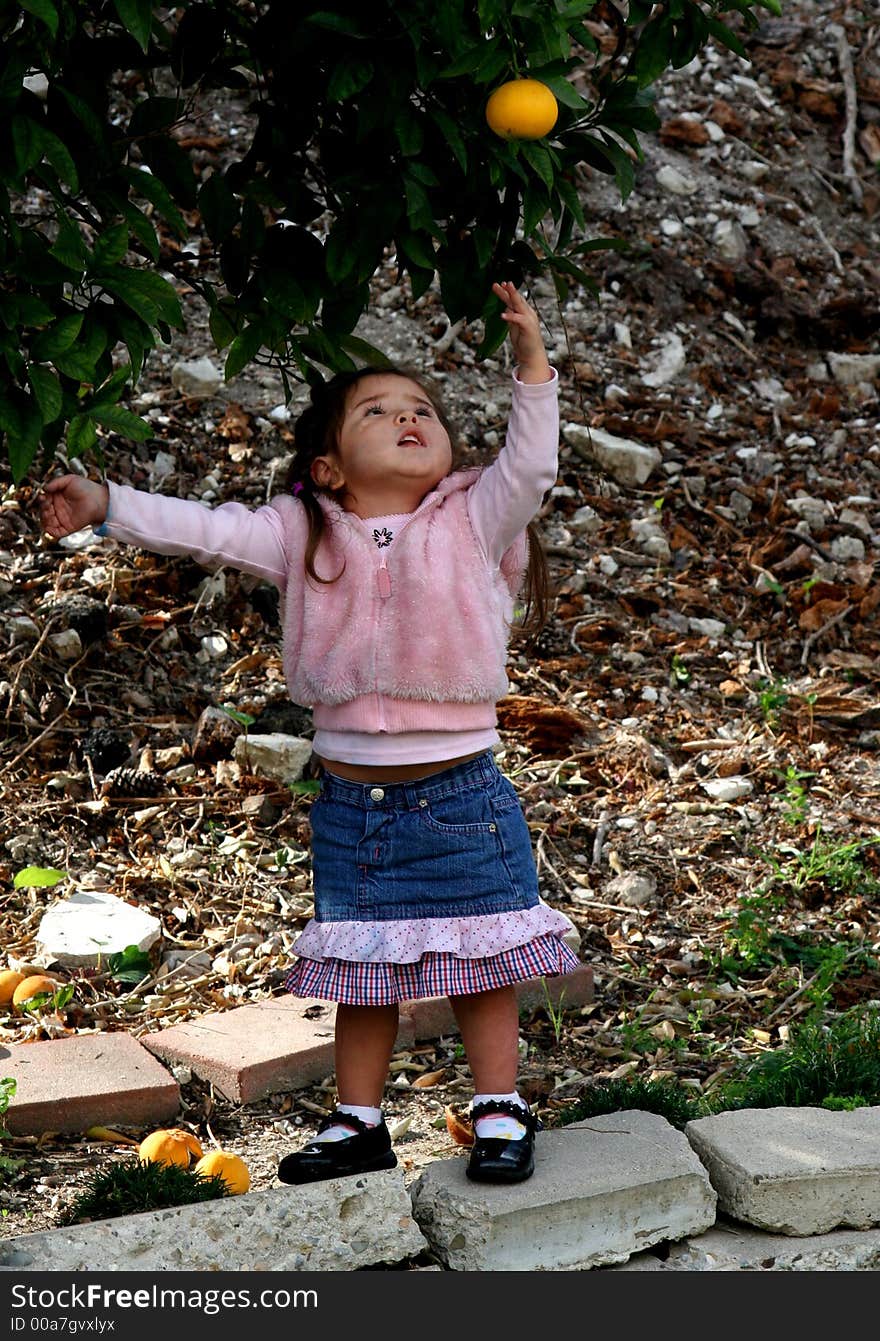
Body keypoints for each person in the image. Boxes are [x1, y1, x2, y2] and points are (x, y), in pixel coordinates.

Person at [39, 280, 580, 1186]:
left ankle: (498, 1108)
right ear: (328, 465)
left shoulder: (475, 518)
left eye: (422, 410)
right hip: (352, 804)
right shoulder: (302, 532)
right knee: (361, 976)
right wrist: (108, 502)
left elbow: (529, 465)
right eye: (377, 411)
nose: (409, 419)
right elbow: (204, 530)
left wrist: (532, 366)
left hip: (461, 795)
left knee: (485, 963)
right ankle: (358, 1121)